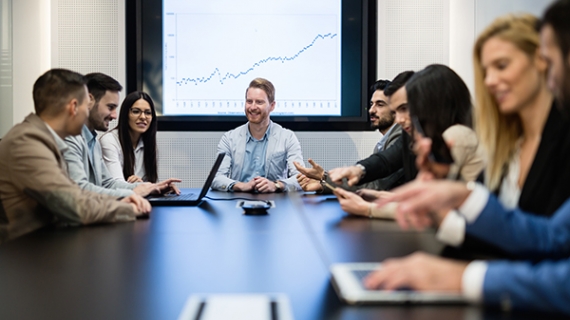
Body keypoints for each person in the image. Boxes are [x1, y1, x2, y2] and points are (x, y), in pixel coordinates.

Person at [363, 1, 570, 314]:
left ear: (541, 62)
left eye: (501, 66)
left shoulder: (559, 141)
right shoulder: (508, 146)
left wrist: (465, 277)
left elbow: (548, 250)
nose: (488, 81)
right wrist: (454, 200)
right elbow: (540, 236)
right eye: (486, 71)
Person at [0, 69, 150, 244]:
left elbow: (76, 193)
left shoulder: (45, 139)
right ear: (73, 107)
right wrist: (127, 208)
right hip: (23, 256)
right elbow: (73, 205)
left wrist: (123, 199)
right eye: (86, 105)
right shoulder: (26, 143)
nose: (87, 112)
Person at [333, 64, 485, 219]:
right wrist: (380, 195)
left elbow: (431, 207)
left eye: (406, 108)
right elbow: (387, 160)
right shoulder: (425, 136)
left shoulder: (456, 136)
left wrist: (368, 208)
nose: (399, 120)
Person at [63, 73, 180, 198]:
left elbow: (108, 184)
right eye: (110, 107)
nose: (114, 116)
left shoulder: (94, 142)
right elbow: (81, 190)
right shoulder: (70, 140)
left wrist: (153, 187)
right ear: (90, 100)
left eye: (148, 113)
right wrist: (134, 192)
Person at [294, 79, 403, 193]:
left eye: (380, 105)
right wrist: (324, 181)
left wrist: (324, 178)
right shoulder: (386, 141)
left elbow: (376, 186)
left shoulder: (400, 139)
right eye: (371, 104)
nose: (371, 110)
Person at [211, 78, 304, 193]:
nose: (253, 107)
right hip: (238, 202)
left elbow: (300, 178)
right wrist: (240, 186)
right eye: (249, 101)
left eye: (259, 102)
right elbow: (216, 178)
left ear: (272, 106)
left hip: (277, 203)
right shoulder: (229, 138)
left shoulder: (287, 137)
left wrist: (276, 185)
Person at [100, 91, 159, 183]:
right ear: (125, 115)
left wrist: (161, 188)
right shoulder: (109, 141)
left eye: (148, 113)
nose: (143, 117)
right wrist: (138, 185)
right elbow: (116, 185)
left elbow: (149, 181)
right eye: (136, 111)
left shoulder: (147, 142)